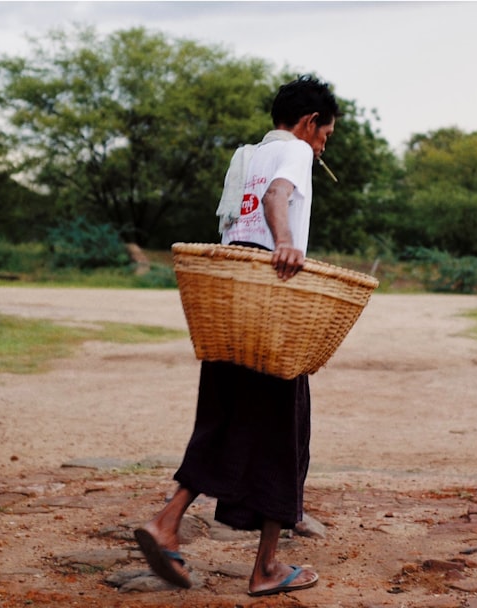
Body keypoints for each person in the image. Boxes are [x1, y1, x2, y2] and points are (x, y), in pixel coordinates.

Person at [134, 75, 338, 597]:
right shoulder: (294, 151)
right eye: (325, 137)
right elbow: (277, 197)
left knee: (223, 415)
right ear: (309, 122)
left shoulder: (244, 155)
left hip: (230, 297)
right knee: (286, 430)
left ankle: (169, 522)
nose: (321, 150)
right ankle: (265, 567)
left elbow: (230, 224)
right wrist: (287, 244)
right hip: (272, 294)